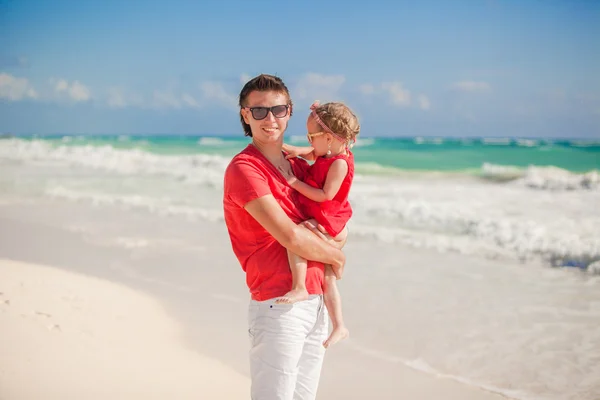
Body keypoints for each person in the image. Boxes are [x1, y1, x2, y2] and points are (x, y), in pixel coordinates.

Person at [223, 74, 347, 400]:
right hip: (279, 304)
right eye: (259, 111)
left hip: (317, 301)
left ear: (289, 112)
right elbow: (290, 236)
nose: (270, 119)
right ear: (245, 115)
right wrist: (335, 256)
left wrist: (336, 240)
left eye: (278, 110)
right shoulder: (245, 168)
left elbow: (332, 216)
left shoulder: (299, 168)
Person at [277, 101, 359, 350]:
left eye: (311, 136)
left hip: (327, 218)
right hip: (324, 216)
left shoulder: (339, 163)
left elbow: (325, 195)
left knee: (298, 239)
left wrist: (293, 182)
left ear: (329, 138)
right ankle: (339, 326)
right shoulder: (329, 152)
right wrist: (293, 150)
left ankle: (300, 287)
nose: (308, 140)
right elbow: (312, 153)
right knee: (328, 279)